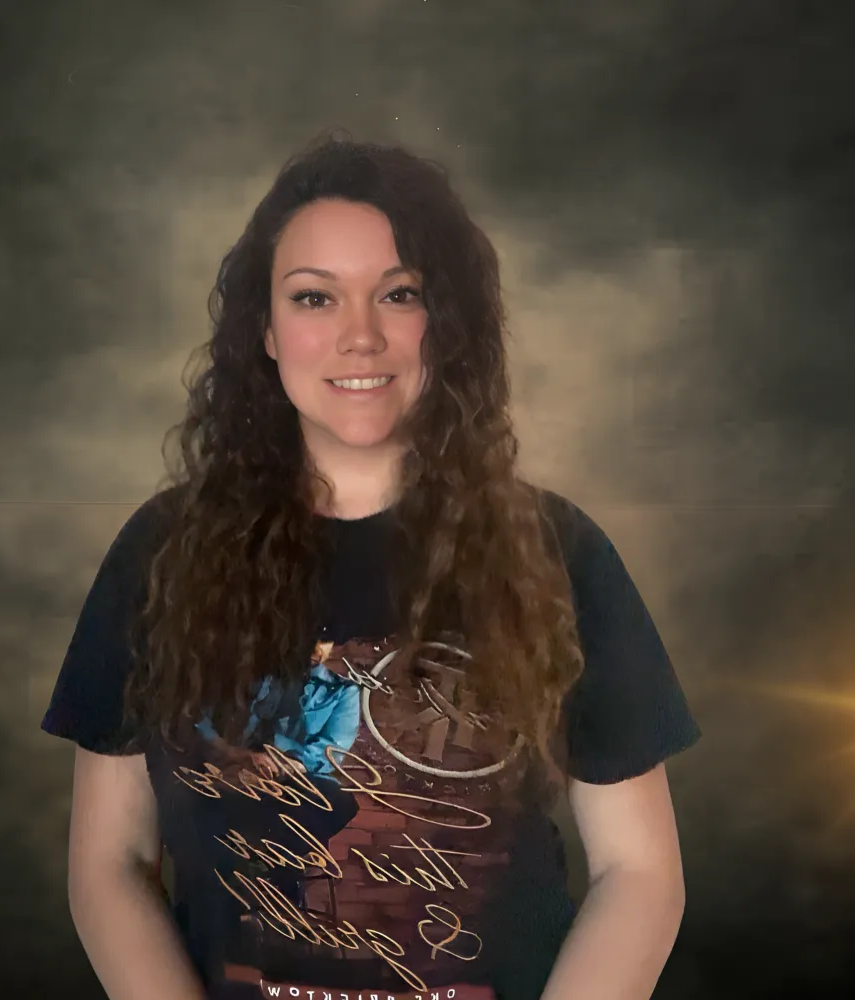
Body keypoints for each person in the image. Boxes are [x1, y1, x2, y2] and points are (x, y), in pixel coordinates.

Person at [42, 131, 702, 1000]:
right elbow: (109, 865)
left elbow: (640, 873)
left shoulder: (557, 551)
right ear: (265, 333)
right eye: (314, 299)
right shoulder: (161, 553)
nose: (360, 336)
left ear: (449, 327)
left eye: (400, 294)